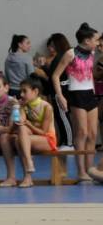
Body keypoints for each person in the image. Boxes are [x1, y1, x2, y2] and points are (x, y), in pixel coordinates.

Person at [52, 23, 100, 182]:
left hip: (89, 94)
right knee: (82, 133)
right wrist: (60, 96)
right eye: (96, 40)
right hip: (76, 95)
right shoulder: (70, 54)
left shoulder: (92, 53)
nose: (98, 42)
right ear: (87, 40)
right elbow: (55, 76)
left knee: (93, 134)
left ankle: (90, 169)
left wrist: (93, 90)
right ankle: (81, 171)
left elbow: (89, 73)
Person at [15, 76, 57, 188]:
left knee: (20, 140)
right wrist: (17, 107)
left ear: (35, 91)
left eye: (25, 91)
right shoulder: (25, 106)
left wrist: (29, 124)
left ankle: (27, 176)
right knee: (19, 137)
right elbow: (20, 123)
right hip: (31, 138)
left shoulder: (46, 107)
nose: (21, 94)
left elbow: (43, 132)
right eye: (21, 91)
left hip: (48, 140)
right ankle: (28, 169)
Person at [45, 33, 73, 148]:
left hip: (60, 91)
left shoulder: (61, 57)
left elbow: (54, 76)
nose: (51, 48)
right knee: (60, 117)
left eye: (52, 45)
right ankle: (64, 141)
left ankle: (69, 143)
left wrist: (43, 70)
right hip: (60, 90)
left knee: (63, 117)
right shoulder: (61, 56)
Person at [4, 34, 35, 98]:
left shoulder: (8, 57)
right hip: (24, 90)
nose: (30, 45)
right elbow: (32, 76)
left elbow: (6, 76)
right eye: (27, 43)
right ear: (20, 44)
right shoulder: (27, 57)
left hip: (11, 90)